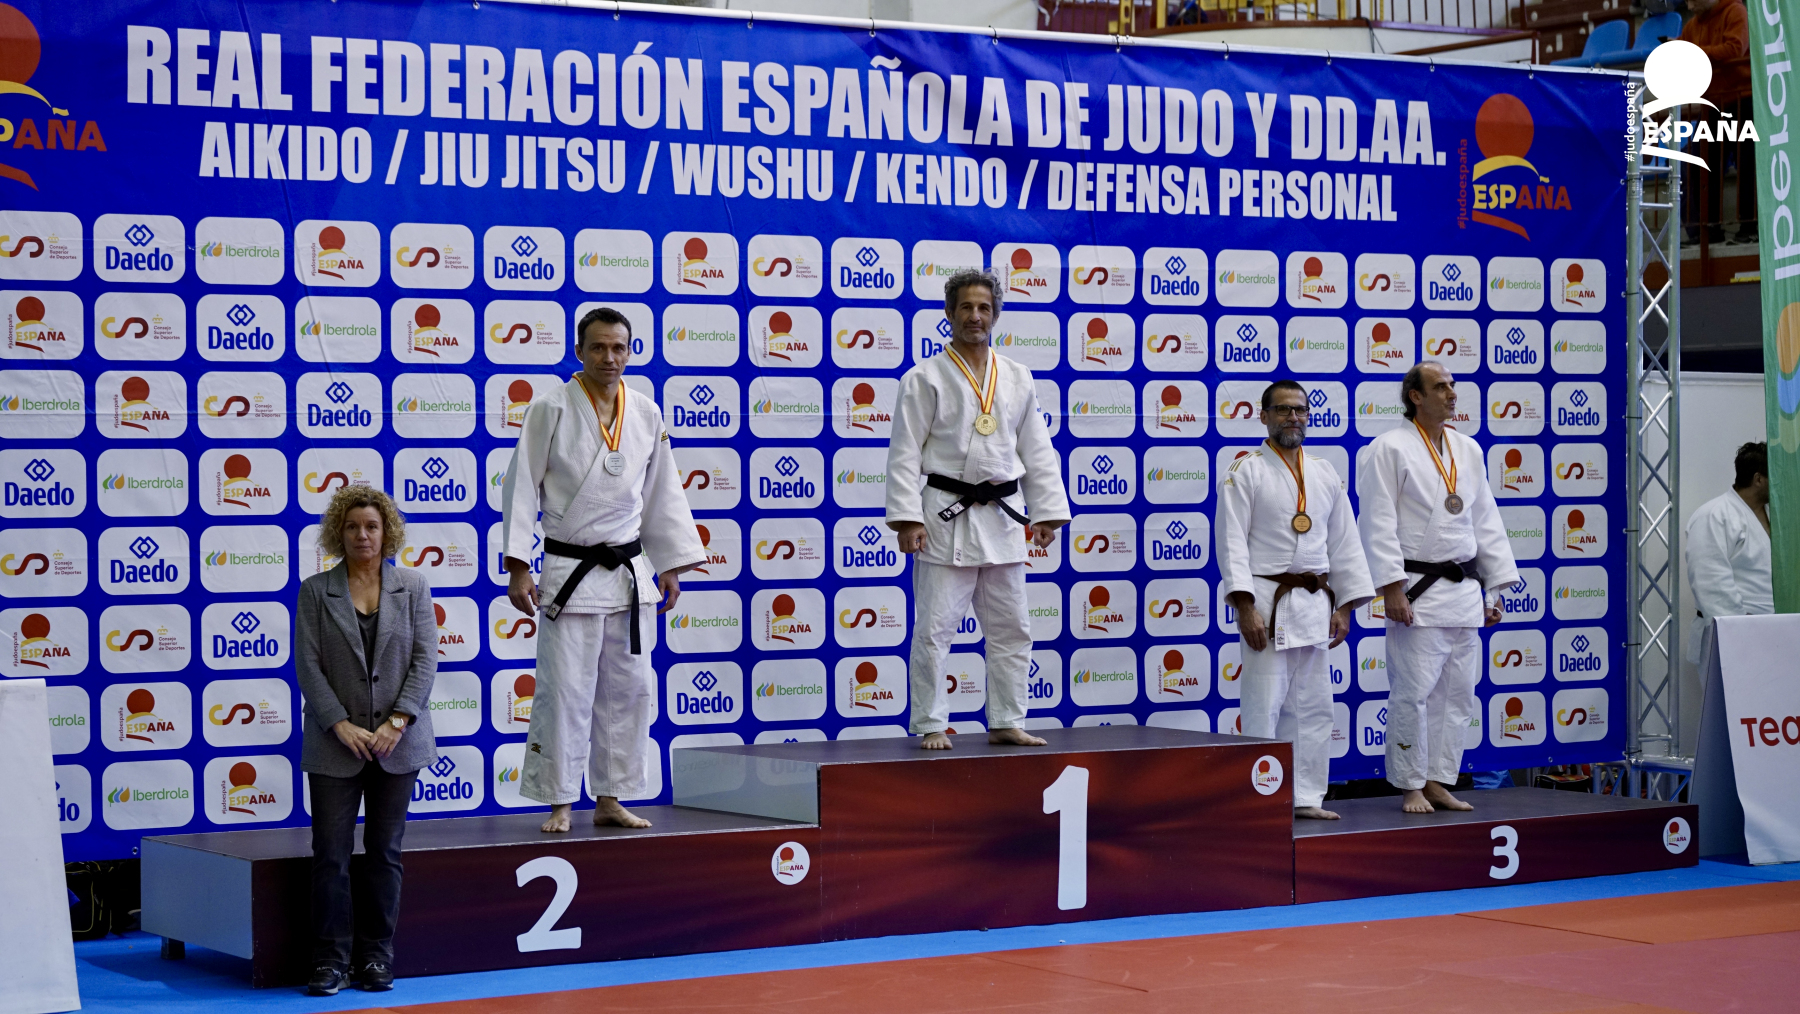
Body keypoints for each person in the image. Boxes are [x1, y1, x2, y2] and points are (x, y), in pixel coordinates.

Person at [501, 307, 705, 832]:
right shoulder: (550, 409)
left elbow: (662, 491)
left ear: (630, 352)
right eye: (598, 347)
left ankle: (611, 798)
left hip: (628, 574)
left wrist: (670, 564)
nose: (609, 357)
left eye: (618, 348)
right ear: (579, 351)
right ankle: (559, 801)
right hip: (570, 573)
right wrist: (519, 566)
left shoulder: (646, 412)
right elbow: (520, 486)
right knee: (564, 692)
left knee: (628, 693)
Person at [886, 268, 1069, 749]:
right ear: (949, 313)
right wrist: (907, 519)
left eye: (984, 308)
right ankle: (931, 721)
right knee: (934, 629)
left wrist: (1047, 512)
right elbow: (904, 453)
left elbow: (1037, 449)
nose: (975, 316)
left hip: (1003, 515)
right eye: (965, 307)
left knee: (1013, 628)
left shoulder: (1017, 376)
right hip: (946, 515)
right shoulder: (923, 377)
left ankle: (1007, 719)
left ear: (996, 315)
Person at [295, 486, 438, 996]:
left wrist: (397, 721)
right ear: (339, 533)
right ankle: (330, 962)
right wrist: (339, 724)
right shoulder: (315, 591)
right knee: (330, 856)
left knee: (384, 853)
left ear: (387, 532)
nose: (362, 535)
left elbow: (425, 659)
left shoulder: (413, 587)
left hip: (398, 744)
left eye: (372, 526)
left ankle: (377, 957)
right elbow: (307, 666)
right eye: (353, 526)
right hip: (335, 743)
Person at [1358, 363, 1518, 814]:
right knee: (1413, 694)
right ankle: (1410, 785)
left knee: (1457, 696)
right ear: (1415, 396)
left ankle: (1437, 780)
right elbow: (1377, 521)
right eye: (1441, 387)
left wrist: (1492, 590)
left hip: (1464, 590)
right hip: (1417, 590)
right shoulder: (1388, 448)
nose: (1451, 394)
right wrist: (1391, 587)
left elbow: (1484, 520)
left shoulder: (1468, 449)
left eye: (1452, 386)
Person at [1217, 380, 1375, 820]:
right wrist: (1245, 606)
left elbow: (1345, 543)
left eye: (1300, 410)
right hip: (1267, 602)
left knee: (1314, 708)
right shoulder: (1245, 471)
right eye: (1283, 410)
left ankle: (1305, 797)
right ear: (1263, 415)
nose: (1293, 418)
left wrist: (1345, 607)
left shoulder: (1324, 472)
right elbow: (1231, 543)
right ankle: (1259, 803)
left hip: (1315, 603)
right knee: (1263, 707)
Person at [1685, 441, 1772, 663]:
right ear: (1758, 479)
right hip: (1733, 633)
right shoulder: (1714, 515)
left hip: (1775, 631)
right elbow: (1710, 582)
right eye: (1776, 476)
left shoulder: (1777, 516)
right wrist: (1740, 626)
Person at [1680, 0, 1754, 244]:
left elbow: (1735, 48)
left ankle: (1750, 227)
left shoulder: (1735, 11)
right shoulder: (1692, 26)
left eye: (1693, 0)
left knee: (1747, 164)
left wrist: (1696, 54)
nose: (1690, 7)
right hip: (1712, 104)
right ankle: (1707, 229)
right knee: (1699, 163)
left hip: (1743, 100)